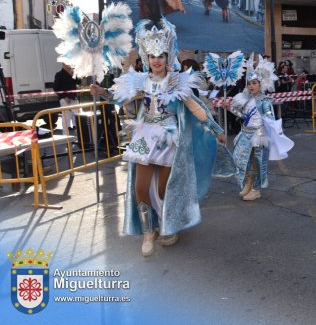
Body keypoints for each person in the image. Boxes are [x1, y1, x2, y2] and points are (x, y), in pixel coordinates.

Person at [90, 18, 234, 257]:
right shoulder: (140, 80)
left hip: (170, 138)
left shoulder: (178, 81)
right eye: (153, 55)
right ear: (147, 57)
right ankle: (148, 232)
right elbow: (119, 98)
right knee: (141, 187)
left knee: (166, 188)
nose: (157, 59)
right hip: (145, 135)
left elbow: (195, 107)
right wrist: (102, 92)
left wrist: (215, 129)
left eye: (161, 54)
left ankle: (169, 226)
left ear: (168, 57)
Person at [226, 56, 293, 201]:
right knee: (241, 160)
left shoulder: (265, 102)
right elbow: (244, 116)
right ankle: (248, 183)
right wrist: (231, 109)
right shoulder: (247, 99)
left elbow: (270, 120)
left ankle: (256, 189)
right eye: (249, 83)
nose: (251, 86)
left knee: (257, 163)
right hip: (245, 134)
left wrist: (274, 133)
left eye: (254, 83)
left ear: (261, 84)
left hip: (259, 136)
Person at [53, 63, 80, 134]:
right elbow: (56, 88)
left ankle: (79, 136)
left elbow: (78, 82)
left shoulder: (72, 73)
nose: (69, 65)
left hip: (73, 98)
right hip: (65, 99)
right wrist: (64, 97)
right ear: (63, 64)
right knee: (66, 119)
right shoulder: (59, 74)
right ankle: (66, 138)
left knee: (78, 118)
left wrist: (74, 74)